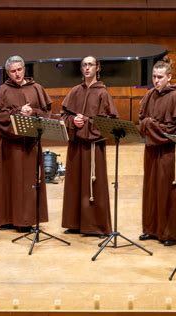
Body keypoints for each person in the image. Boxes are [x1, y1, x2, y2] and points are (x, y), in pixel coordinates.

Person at [0, 55, 51, 232]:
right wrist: (18, 111)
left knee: (27, 182)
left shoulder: (36, 88)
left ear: (24, 69)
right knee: (9, 180)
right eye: (12, 71)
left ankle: (26, 219)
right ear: (8, 73)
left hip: (29, 145)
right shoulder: (2, 90)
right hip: (10, 144)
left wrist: (32, 111)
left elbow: (46, 112)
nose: (17, 74)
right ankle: (7, 218)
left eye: (19, 70)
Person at [61, 56, 118, 237]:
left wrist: (84, 122)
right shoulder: (75, 91)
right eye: (84, 65)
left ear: (97, 67)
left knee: (94, 185)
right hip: (76, 146)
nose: (87, 68)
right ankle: (74, 223)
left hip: (94, 148)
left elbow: (109, 122)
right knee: (74, 183)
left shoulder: (103, 93)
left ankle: (96, 225)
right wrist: (72, 120)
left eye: (90, 65)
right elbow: (64, 116)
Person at [138, 57, 176, 246]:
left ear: (169, 77)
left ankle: (170, 233)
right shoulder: (150, 94)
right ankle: (152, 229)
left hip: (169, 151)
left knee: (168, 190)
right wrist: (150, 125)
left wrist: (152, 126)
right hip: (152, 149)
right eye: (154, 77)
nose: (156, 80)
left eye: (160, 77)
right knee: (152, 189)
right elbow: (142, 119)